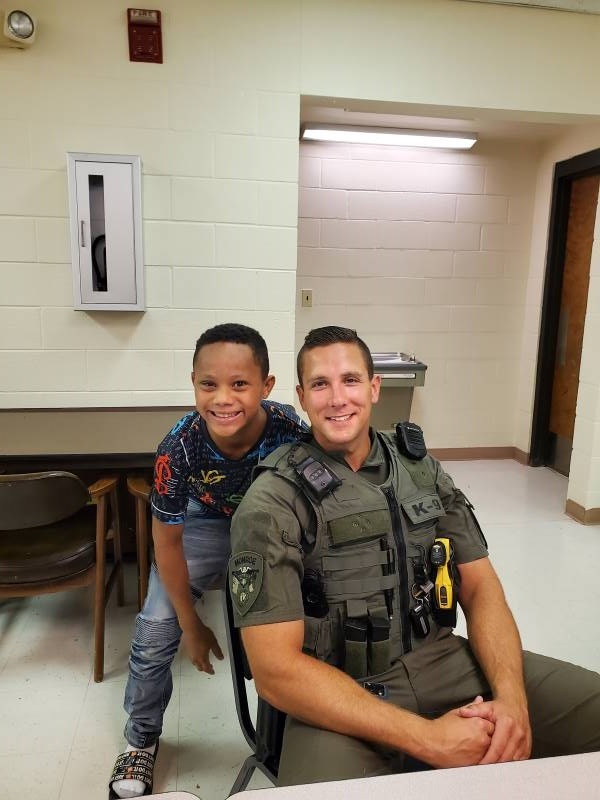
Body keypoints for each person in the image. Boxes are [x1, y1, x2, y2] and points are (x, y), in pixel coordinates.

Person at [228, 325, 600, 786]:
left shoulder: (420, 469)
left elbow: (481, 588)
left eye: (351, 380)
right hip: (343, 696)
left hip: (446, 664)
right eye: (321, 384)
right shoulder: (273, 500)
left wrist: (512, 702)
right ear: (302, 397)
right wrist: (428, 739)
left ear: (375, 387)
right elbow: (275, 671)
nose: (337, 398)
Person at [109, 323, 307, 799]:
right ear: (193, 382)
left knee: (318, 605)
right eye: (208, 384)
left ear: (267, 386)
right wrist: (190, 623)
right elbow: (168, 544)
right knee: (156, 628)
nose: (223, 398)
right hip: (202, 523)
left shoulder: (289, 429)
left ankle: (306, 723)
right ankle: (140, 739)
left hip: (267, 520)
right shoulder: (178, 447)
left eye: (239, 384)